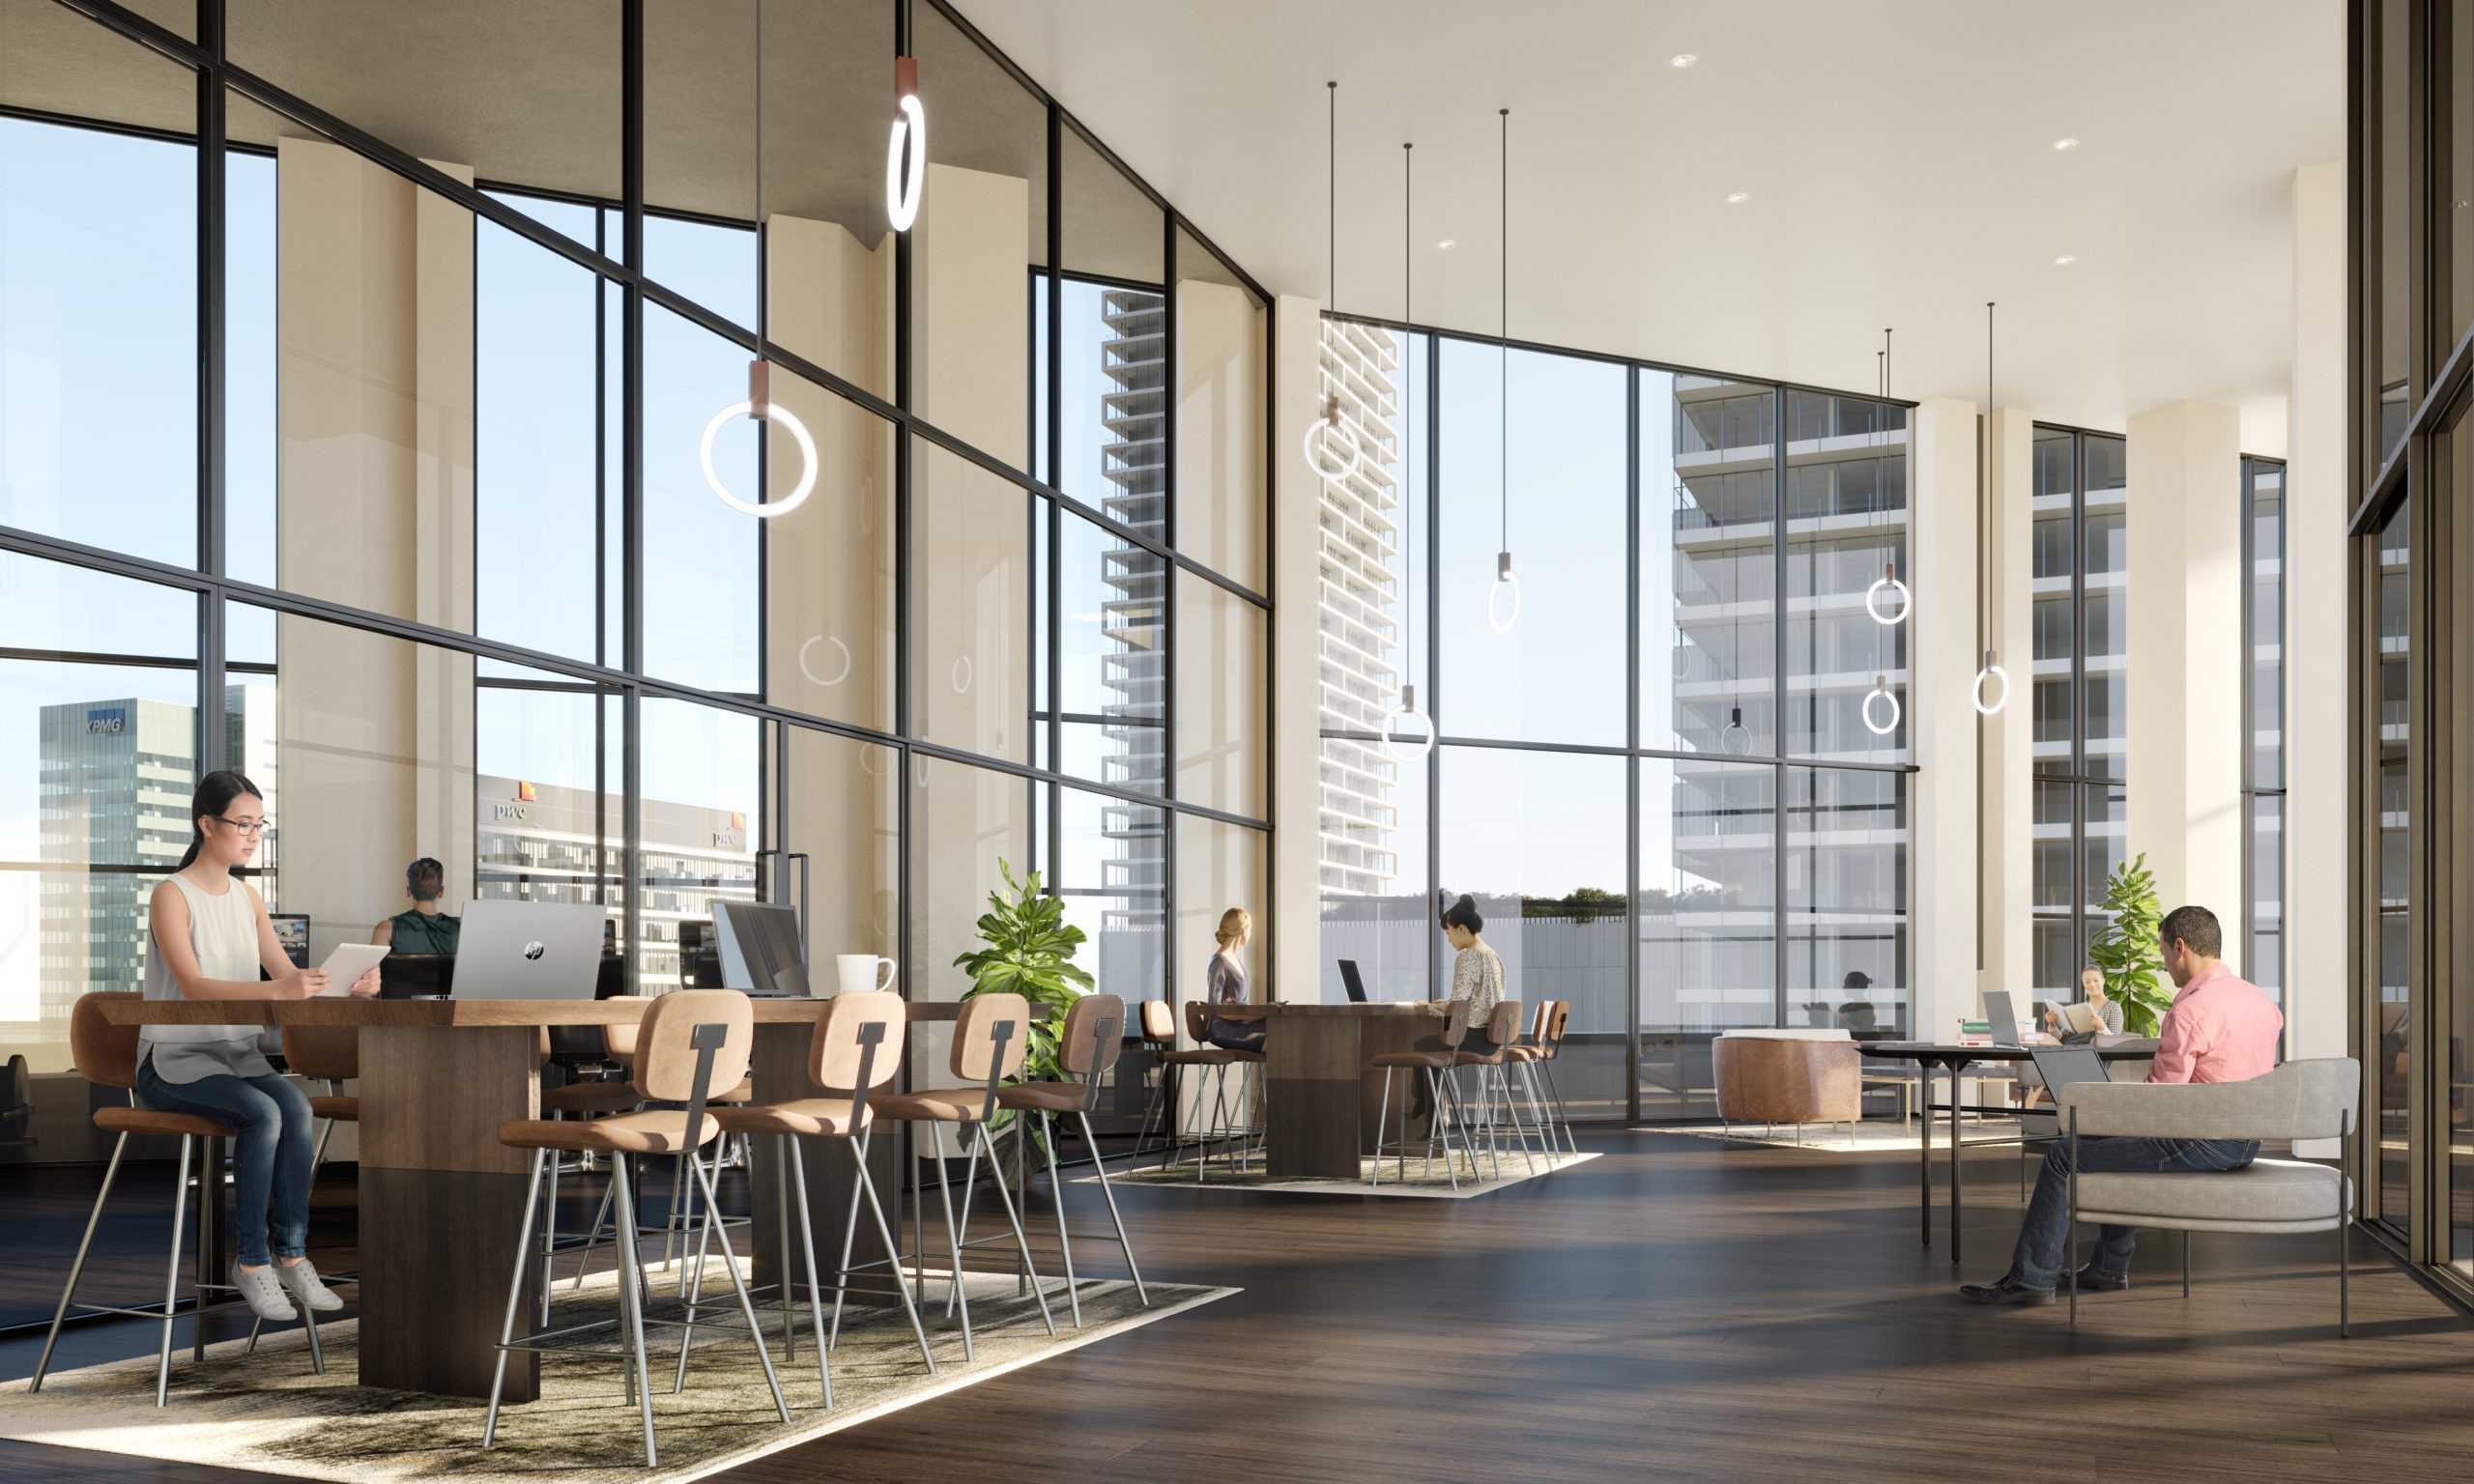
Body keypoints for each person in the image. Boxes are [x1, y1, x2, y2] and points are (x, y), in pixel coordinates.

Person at [140, 770, 381, 1324]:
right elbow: (196, 987)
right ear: (207, 824)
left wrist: (350, 988)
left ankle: (291, 1253)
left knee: (296, 1106)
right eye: (243, 824)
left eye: (260, 826)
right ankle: (251, 1262)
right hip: (171, 1062)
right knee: (262, 1115)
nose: (253, 836)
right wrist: (282, 988)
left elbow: (289, 980)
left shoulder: (248, 896)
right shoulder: (170, 894)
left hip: (235, 1057)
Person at [1961, 904, 2282, 1306]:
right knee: (2112, 1139)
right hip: (2246, 1140)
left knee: (2063, 1155)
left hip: (2201, 1140)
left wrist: (2103, 1107)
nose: (2164, 965)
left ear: (2180, 947)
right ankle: (2109, 1268)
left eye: (2164, 953)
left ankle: (2032, 1279)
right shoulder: (2260, 1002)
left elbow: (2158, 1102)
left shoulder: (2190, 1011)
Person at [1441, 894, 1505, 1035]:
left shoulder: (1467, 956)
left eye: (1448, 933)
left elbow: (1458, 1005)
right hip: (1495, 1036)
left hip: (1470, 1036)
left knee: (1417, 1044)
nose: (1449, 940)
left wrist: (1430, 1007)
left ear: (1461, 929)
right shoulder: (1493, 956)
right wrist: (1445, 1003)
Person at [1201, 907, 1263, 1052]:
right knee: (1276, 1037)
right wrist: (1254, 1016)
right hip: (1222, 1029)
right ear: (1243, 930)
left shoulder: (1236, 960)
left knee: (1277, 1028)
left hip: (1241, 1023)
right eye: (1250, 929)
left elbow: (1242, 1003)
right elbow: (1215, 1008)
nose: (1250, 933)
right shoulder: (1219, 963)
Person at [371, 857, 460, 954]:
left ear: (408, 891)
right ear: (441, 891)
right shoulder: (461, 931)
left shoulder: (385, 930)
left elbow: (373, 968)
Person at [2044, 965, 2124, 1042]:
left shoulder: (2113, 1007)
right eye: (2087, 982)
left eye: (2096, 980)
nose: (2092, 984)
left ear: (2103, 981)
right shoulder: (2080, 1009)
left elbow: (2115, 1042)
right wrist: (2052, 1025)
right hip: (2072, 1047)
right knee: (2045, 1039)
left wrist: (2102, 1028)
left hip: (2093, 1052)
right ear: (2084, 984)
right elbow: (2062, 1038)